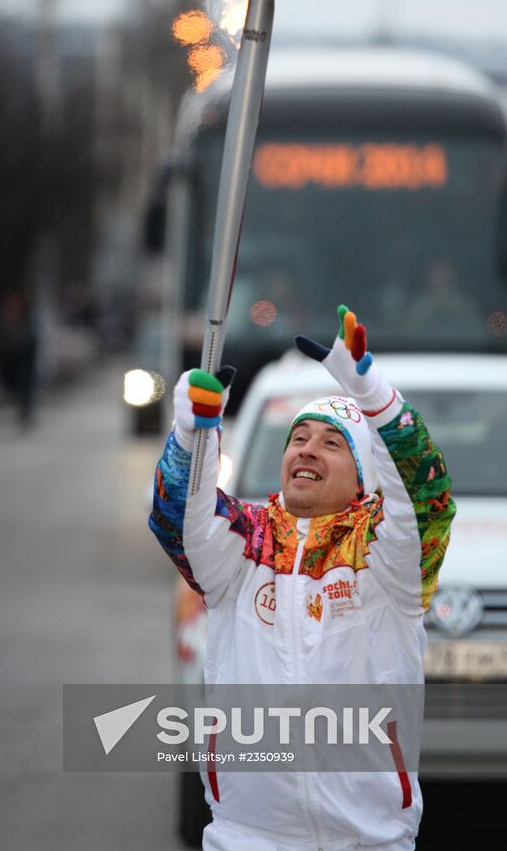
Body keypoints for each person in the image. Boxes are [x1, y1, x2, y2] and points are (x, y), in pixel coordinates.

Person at [150, 305, 455, 851]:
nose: (308, 449)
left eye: (332, 443)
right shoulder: (243, 545)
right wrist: (192, 435)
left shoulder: (384, 556)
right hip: (246, 837)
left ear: (362, 476)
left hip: (369, 840)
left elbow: (426, 499)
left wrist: (374, 396)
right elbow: (178, 517)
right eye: (299, 438)